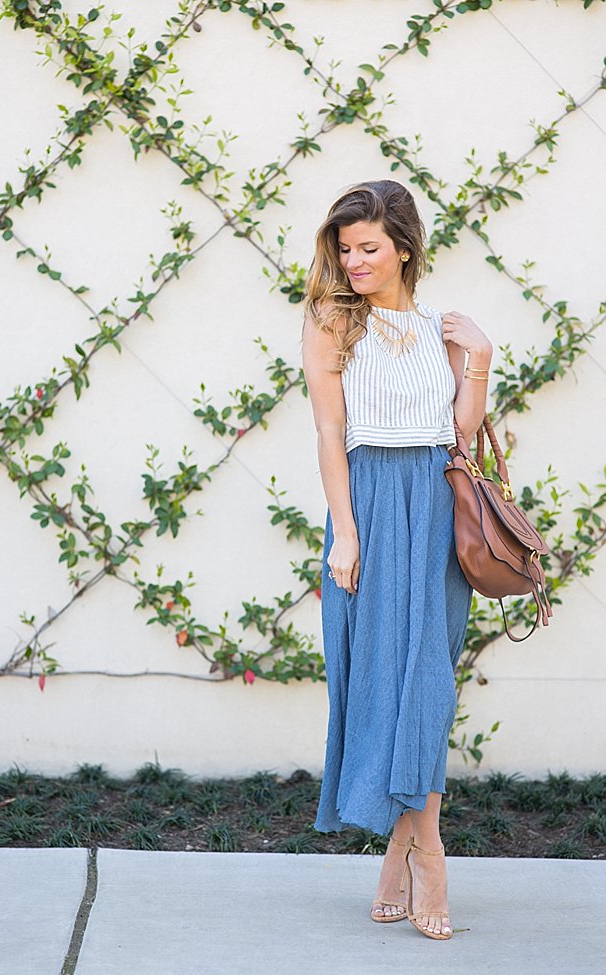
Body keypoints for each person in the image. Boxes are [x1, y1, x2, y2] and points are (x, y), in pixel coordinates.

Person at [300, 179, 492, 941]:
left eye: (369, 248)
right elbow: (327, 432)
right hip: (371, 507)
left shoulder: (437, 325)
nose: (354, 261)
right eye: (345, 249)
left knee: (429, 683)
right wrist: (345, 532)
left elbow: (462, 440)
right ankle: (425, 850)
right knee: (382, 677)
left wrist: (478, 357)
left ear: (405, 247)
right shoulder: (329, 322)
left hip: (437, 508)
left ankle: (408, 850)